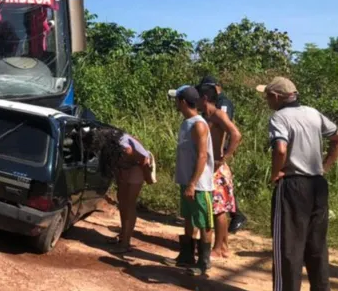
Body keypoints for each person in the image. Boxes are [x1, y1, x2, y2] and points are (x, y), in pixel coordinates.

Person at [258, 77, 338, 291]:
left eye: (267, 96)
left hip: (293, 185)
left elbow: (280, 148)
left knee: (288, 246)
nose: (267, 100)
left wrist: (276, 174)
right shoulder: (313, 113)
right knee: (316, 245)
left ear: (277, 97)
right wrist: (324, 168)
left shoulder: (279, 117)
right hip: (317, 186)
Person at [165, 85, 215, 276]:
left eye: (177, 100)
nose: (175, 104)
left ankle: (203, 263)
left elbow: (202, 156)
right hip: (187, 182)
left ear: (183, 102)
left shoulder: (198, 125)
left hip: (199, 185)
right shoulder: (186, 123)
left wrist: (193, 183)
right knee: (189, 218)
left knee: (203, 222)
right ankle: (186, 256)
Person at [84, 127, 155, 254]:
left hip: (137, 168)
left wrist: (147, 177)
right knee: (122, 203)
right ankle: (123, 236)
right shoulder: (111, 146)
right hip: (125, 169)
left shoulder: (123, 148)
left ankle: (126, 243)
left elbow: (143, 159)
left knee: (129, 204)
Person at [197, 84, 243, 259]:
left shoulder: (218, 115)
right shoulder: (205, 116)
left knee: (219, 209)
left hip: (217, 168)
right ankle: (222, 245)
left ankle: (219, 247)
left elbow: (236, 135)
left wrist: (224, 157)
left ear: (205, 98)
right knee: (216, 208)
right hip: (209, 166)